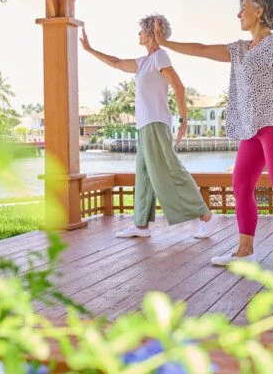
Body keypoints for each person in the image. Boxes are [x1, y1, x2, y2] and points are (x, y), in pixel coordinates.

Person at [154, 0, 273, 272]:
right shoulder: (239, 49)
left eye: (244, 8)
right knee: (240, 185)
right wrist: (166, 42)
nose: (239, 14)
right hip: (252, 126)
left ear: (259, 11)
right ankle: (245, 250)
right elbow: (201, 49)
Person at [80, 14, 220, 239]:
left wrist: (184, 120)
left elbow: (179, 87)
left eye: (141, 31)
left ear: (151, 33)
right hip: (145, 125)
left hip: (156, 122)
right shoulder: (143, 62)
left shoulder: (160, 56)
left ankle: (205, 215)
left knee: (171, 170)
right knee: (144, 174)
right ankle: (141, 225)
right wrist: (90, 49)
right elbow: (116, 62)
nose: (138, 34)